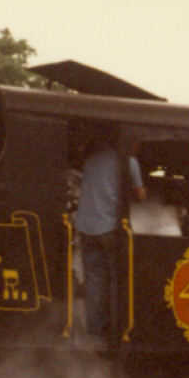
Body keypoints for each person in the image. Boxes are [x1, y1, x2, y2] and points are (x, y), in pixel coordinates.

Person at [73, 135, 145, 342]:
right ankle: (117, 330)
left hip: (86, 228)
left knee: (95, 281)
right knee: (118, 280)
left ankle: (96, 332)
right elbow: (139, 196)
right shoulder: (129, 162)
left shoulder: (91, 160)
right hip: (110, 228)